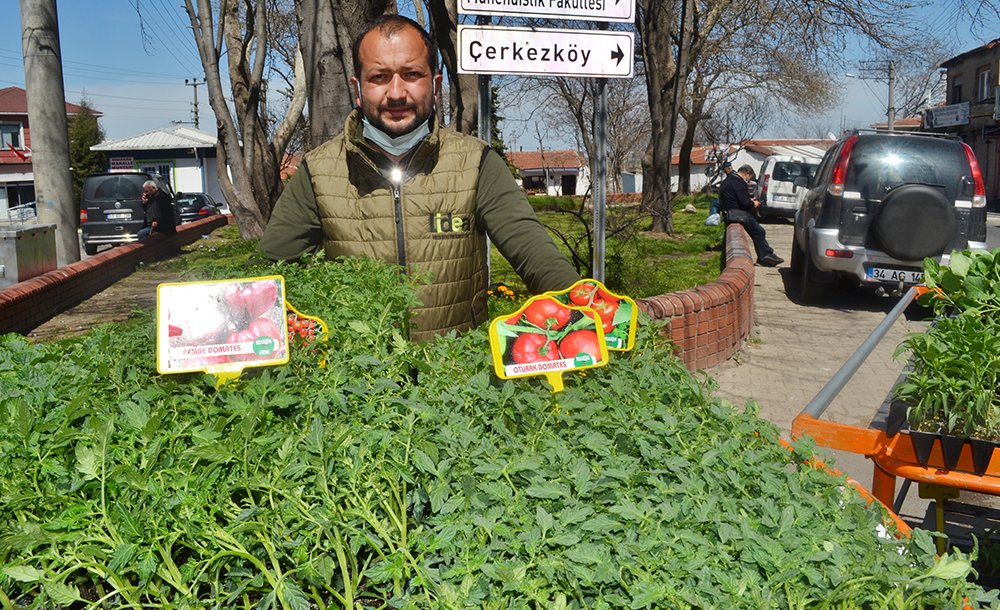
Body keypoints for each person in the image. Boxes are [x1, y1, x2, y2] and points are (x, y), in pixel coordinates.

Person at [259, 15, 580, 341]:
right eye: (379, 77)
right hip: (358, 369)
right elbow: (263, 280)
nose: (396, 93)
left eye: (412, 74)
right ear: (358, 89)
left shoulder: (476, 163)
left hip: (454, 368)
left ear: (436, 86)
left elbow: (539, 261)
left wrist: (585, 311)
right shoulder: (319, 172)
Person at [718, 165, 783, 267]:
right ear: (747, 174)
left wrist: (749, 201)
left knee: (758, 231)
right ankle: (765, 256)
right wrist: (753, 203)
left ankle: (766, 254)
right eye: (749, 178)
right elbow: (745, 203)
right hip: (738, 214)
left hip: (729, 212)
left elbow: (736, 198)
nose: (748, 181)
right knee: (759, 231)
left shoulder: (728, 180)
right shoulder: (738, 182)